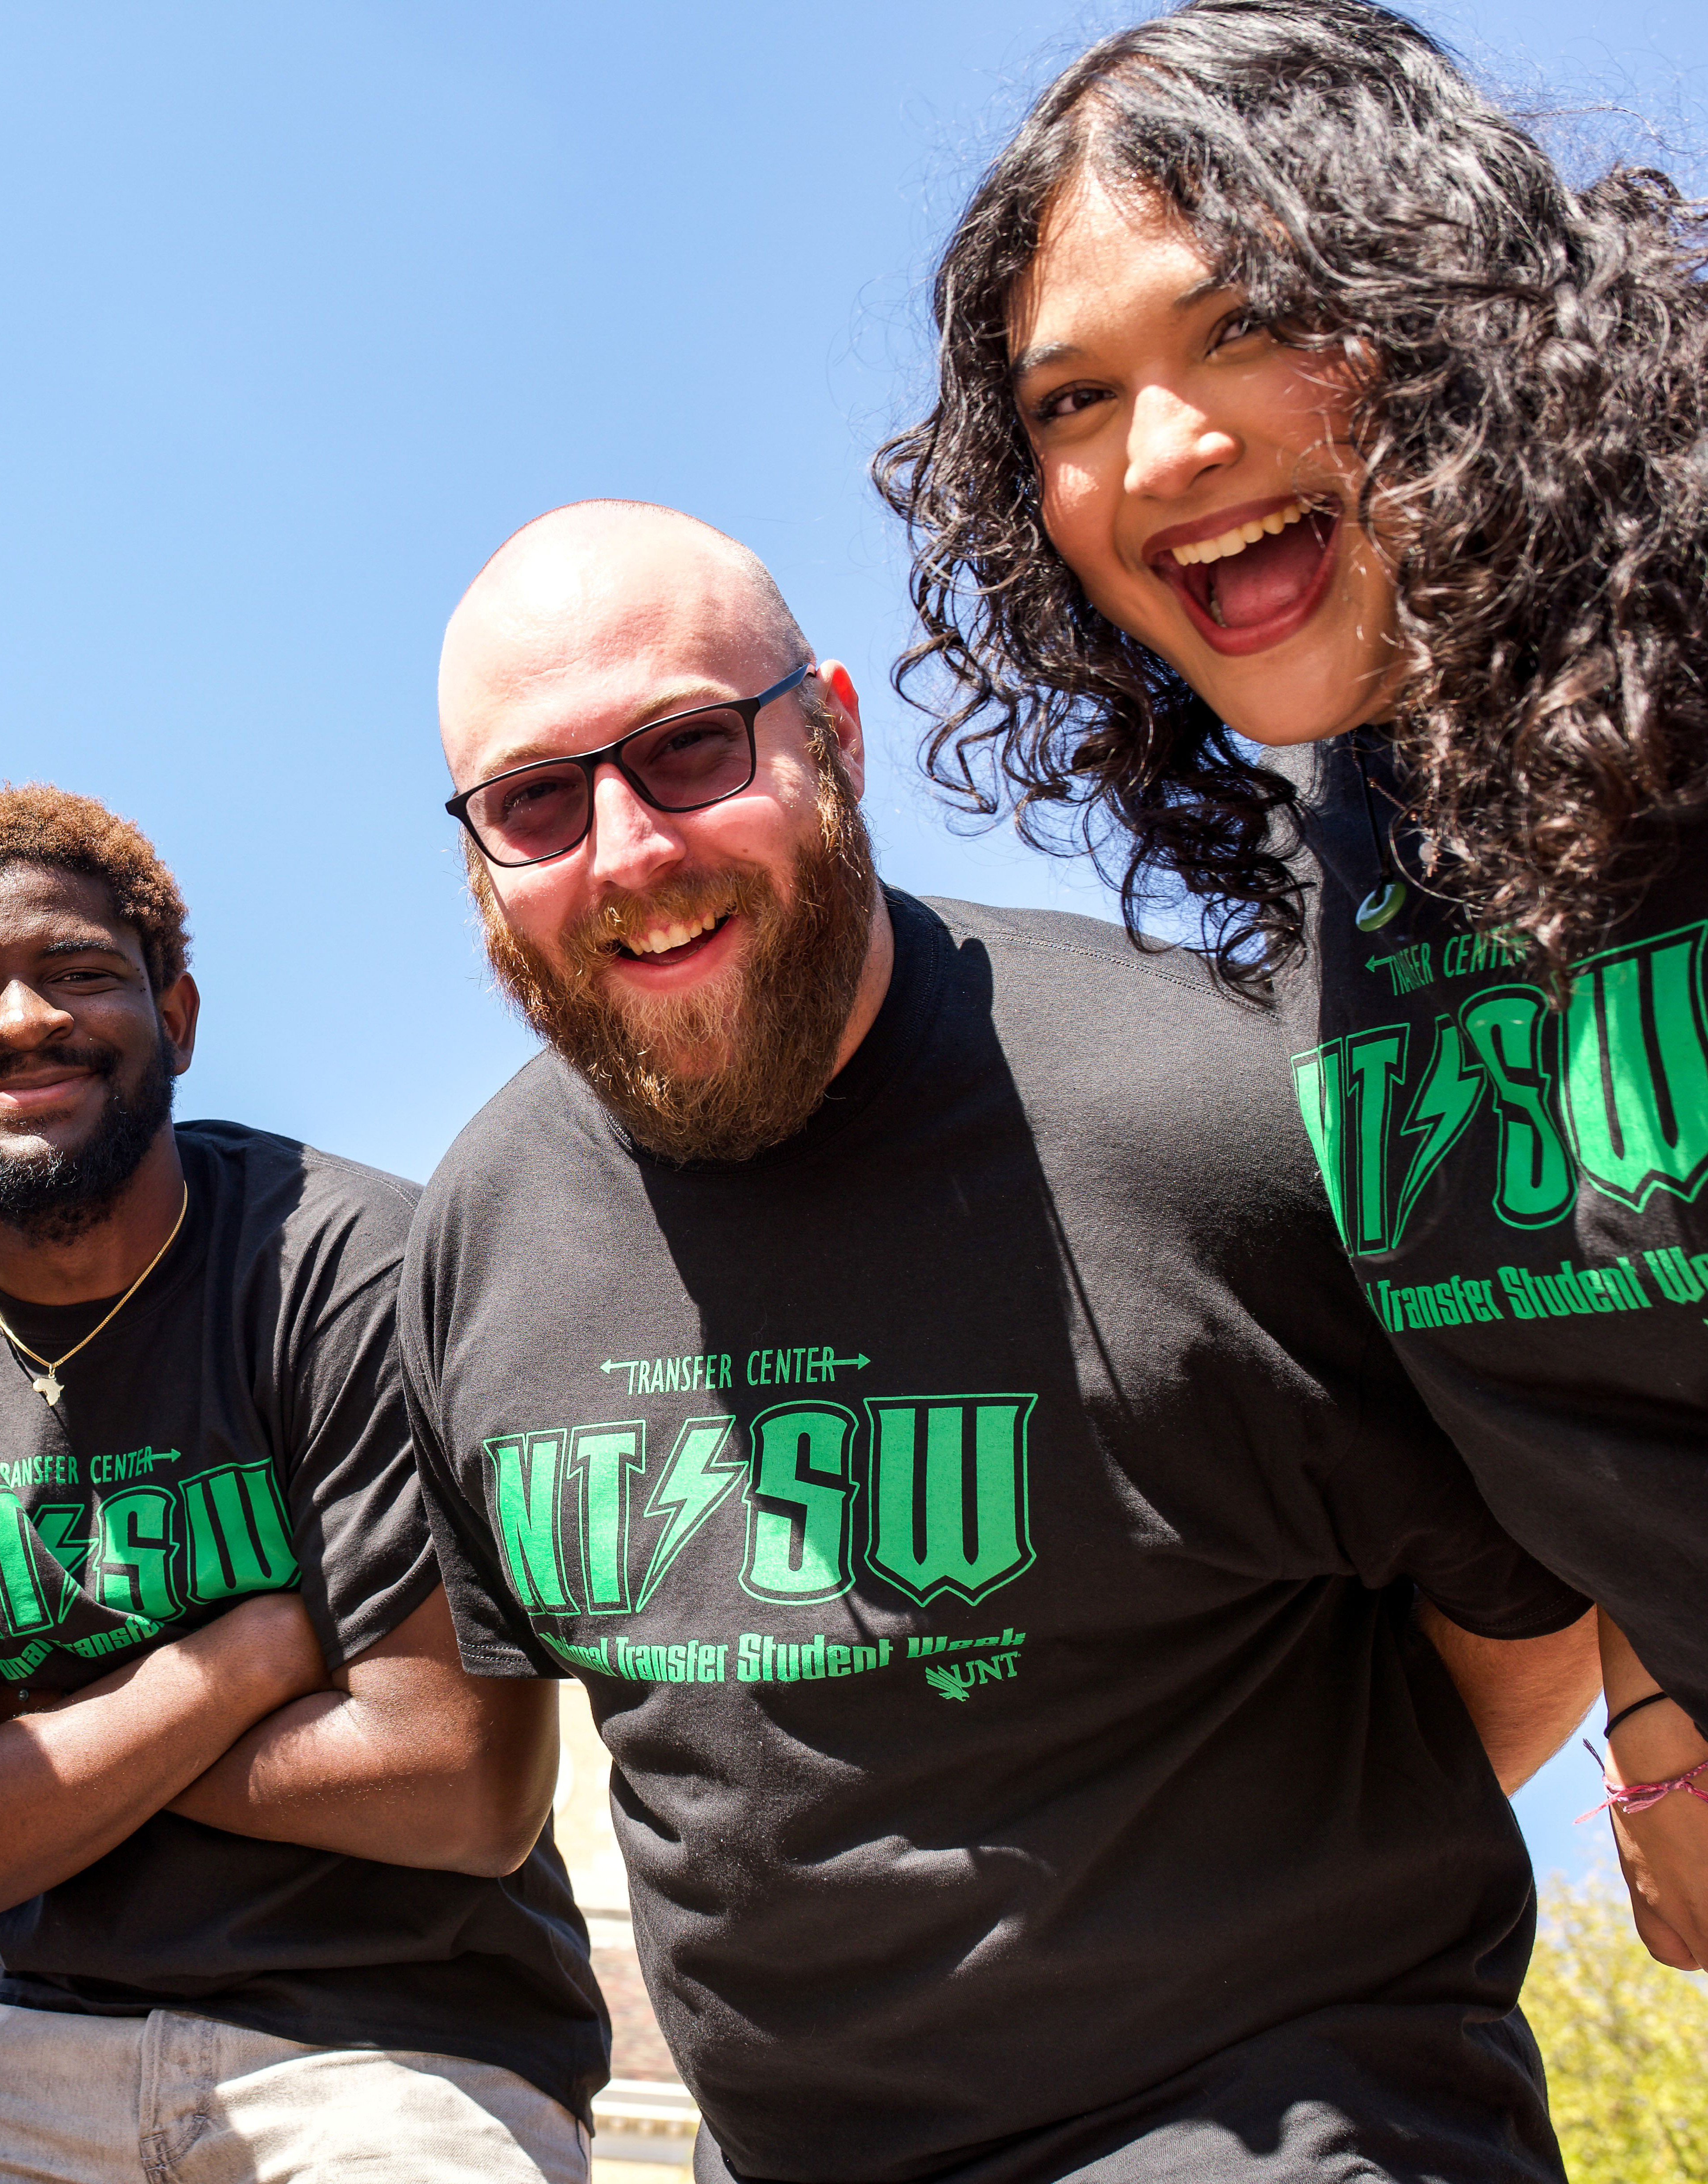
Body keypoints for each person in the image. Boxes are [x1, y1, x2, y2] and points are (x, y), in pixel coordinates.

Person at [410, 500, 1602, 2184]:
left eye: (689, 749)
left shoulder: (1221, 1115)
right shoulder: (480, 1237)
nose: (628, 849)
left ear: (833, 733)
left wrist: (1269, 1907)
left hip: (1280, 2128)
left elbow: (1535, 1609)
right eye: (536, 798)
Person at [872, 0, 1708, 1963]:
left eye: (1250, 319)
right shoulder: (1351, 846)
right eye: (1071, 403)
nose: (1166, 445)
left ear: (1456, 300)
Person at [0, 785, 607, 2184]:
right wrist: (236, 1660)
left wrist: (31, 1732)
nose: (19, 1020)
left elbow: (460, 1784)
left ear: (180, 1019)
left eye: (78, 973)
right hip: (50, 2026)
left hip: (405, 2031)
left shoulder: (359, 1270)